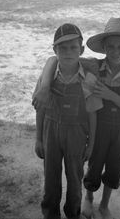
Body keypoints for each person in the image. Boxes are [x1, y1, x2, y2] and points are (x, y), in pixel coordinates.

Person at [33, 17, 120, 219]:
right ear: (103, 47)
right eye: (111, 46)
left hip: (108, 131)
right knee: (73, 174)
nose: (115, 51)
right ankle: (72, 206)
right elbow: (52, 60)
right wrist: (43, 87)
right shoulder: (89, 67)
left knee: (106, 169)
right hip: (72, 129)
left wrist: (110, 96)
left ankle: (95, 207)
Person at [32, 23, 103, 219]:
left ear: (81, 49)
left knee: (74, 178)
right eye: (62, 48)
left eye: (73, 47)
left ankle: (73, 213)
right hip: (50, 132)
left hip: (77, 135)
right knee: (51, 178)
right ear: (55, 50)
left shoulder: (88, 78)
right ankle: (50, 213)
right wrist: (39, 138)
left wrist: (91, 144)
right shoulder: (47, 79)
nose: (68, 52)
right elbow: (40, 108)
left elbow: (92, 113)